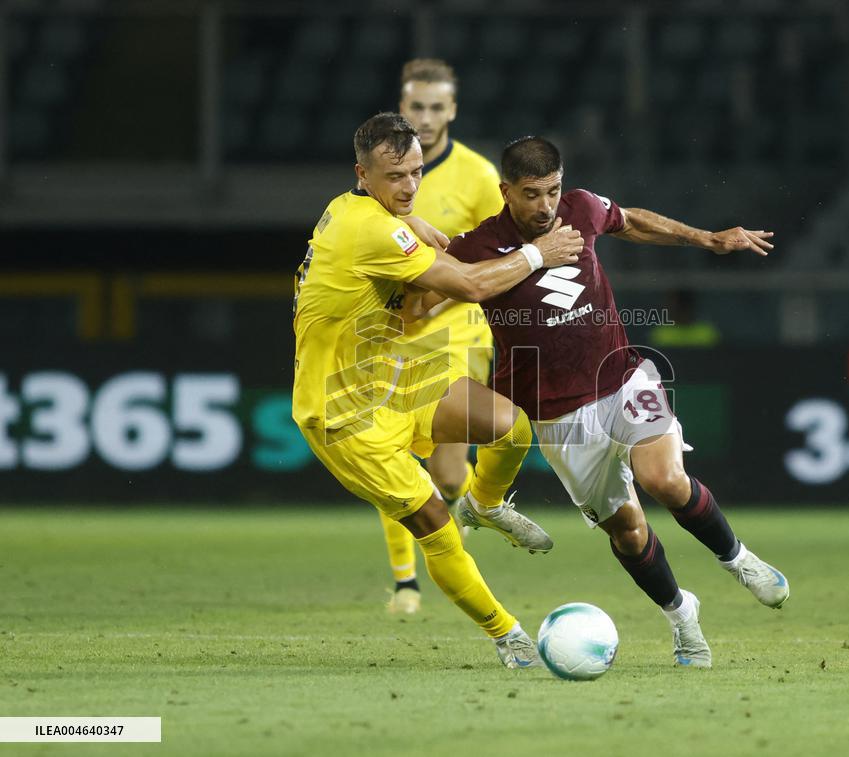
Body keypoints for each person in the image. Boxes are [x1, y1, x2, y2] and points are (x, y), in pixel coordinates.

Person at [416, 136, 789, 669]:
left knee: (665, 480)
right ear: (505, 192)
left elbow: (631, 221)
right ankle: (683, 617)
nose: (545, 205)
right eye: (530, 194)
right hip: (557, 417)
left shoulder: (581, 209)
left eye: (552, 190)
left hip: (622, 380)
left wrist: (707, 238)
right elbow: (424, 297)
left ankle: (739, 560)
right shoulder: (478, 246)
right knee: (629, 531)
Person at [292, 116, 584, 667]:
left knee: (510, 424)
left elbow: (393, 247)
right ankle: (509, 636)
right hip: (342, 413)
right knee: (436, 526)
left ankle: (488, 504)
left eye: (417, 172)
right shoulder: (374, 231)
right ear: (363, 173)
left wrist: (413, 222)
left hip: (390, 373)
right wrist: (540, 254)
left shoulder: (349, 207)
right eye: (395, 176)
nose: (408, 186)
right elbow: (471, 286)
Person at [377, 59, 506, 616]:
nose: (425, 119)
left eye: (435, 108)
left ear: (451, 110)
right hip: (394, 330)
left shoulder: (477, 176)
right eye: (415, 107)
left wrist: (438, 297)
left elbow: (496, 254)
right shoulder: (384, 172)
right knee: (392, 449)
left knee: (448, 472)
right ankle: (406, 583)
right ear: (401, 110)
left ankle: (470, 505)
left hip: (455, 330)